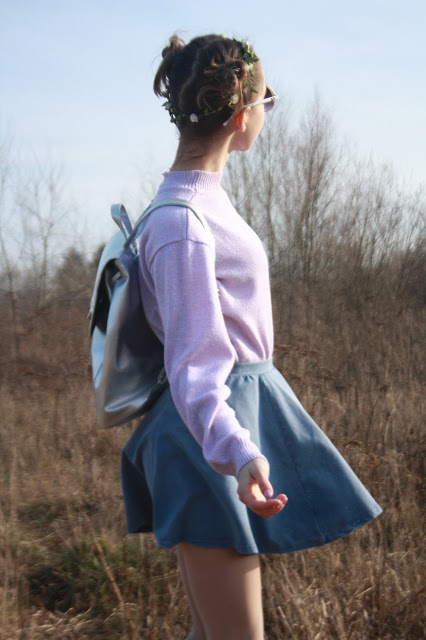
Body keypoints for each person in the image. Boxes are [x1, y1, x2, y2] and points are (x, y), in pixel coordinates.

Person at [121, 34, 382, 640]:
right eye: (270, 100)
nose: (268, 112)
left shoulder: (200, 203)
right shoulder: (183, 222)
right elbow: (194, 367)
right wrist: (239, 454)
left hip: (215, 431)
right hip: (207, 440)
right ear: (242, 116)